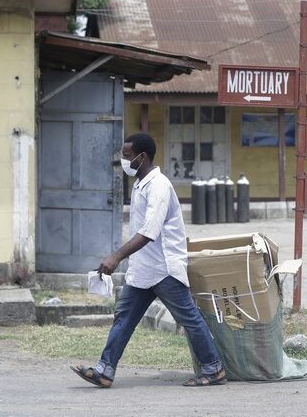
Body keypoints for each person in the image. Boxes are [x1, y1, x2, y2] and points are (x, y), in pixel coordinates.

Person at [71, 133, 226, 388]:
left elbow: (149, 232)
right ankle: (105, 370)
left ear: (142, 157)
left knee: (189, 319)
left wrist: (116, 256)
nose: (124, 160)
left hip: (164, 267)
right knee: (124, 318)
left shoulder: (159, 186)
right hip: (143, 269)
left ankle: (214, 368)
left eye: (127, 156)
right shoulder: (141, 183)